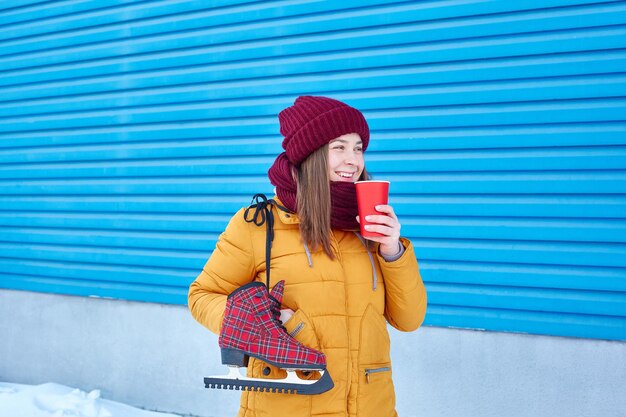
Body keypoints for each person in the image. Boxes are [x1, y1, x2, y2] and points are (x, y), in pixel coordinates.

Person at [188, 96, 427, 417]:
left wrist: (392, 249)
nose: (353, 161)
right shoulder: (259, 225)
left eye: (358, 148)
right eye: (338, 147)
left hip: (369, 405)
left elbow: (409, 320)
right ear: (309, 154)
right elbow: (202, 294)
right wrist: (246, 321)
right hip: (288, 402)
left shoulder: (367, 228)